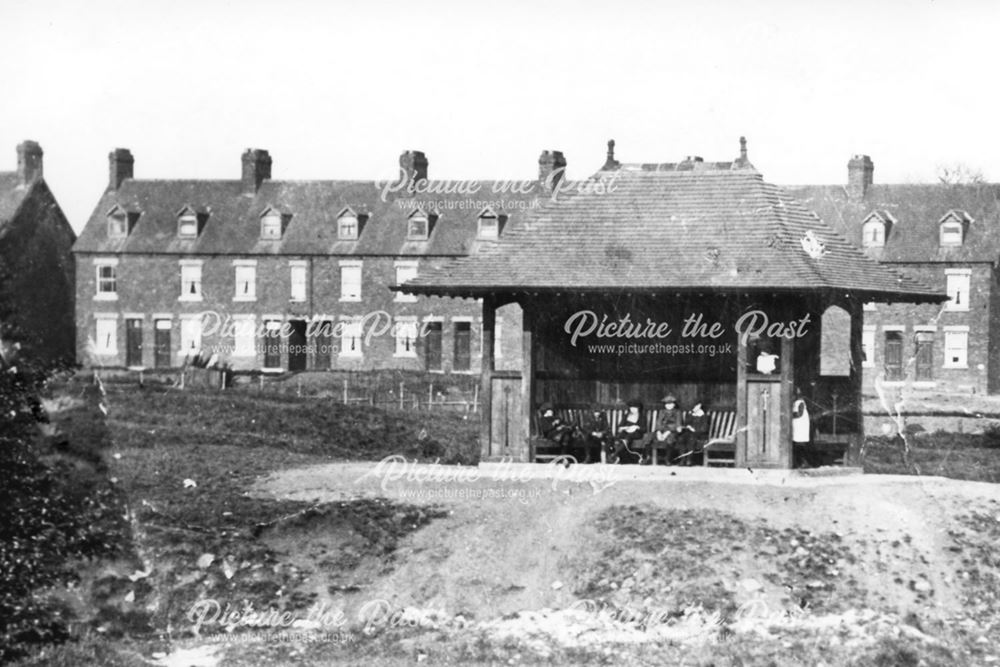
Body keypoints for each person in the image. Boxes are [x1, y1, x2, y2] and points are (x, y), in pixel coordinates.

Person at [645, 395, 684, 464]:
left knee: (670, 439)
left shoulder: (677, 412)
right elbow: (658, 423)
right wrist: (659, 432)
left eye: (670, 404)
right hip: (661, 430)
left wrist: (667, 432)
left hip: (672, 431)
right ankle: (647, 457)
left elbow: (678, 424)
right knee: (648, 437)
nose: (668, 406)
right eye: (666, 404)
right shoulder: (662, 412)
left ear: (674, 404)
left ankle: (667, 458)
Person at [612, 399, 645, 464]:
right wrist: (624, 428)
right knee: (620, 436)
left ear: (638, 408)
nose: (633, 409)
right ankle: (618, 457)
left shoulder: (642, 417)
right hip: (626, 432)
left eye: (635, 408)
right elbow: (620, 426)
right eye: (631, 408)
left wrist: (637, 427)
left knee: (628, 437)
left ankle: (614, 454)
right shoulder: (627, 415)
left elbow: (644, 429)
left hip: (637, 433)